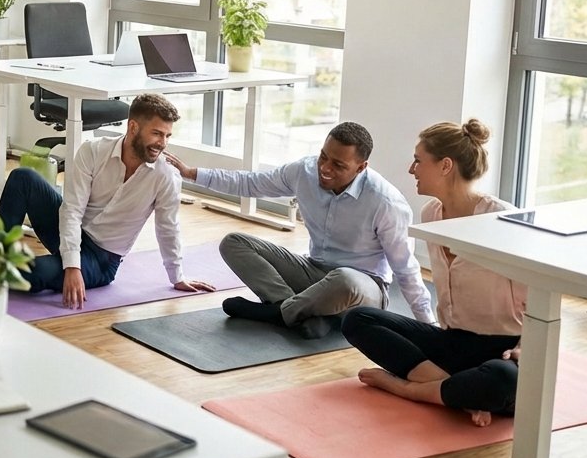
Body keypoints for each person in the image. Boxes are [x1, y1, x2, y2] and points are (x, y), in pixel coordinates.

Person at [165, 121, 433, 338]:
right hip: (313, 272)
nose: (325, 168)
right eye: (323, 157)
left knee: (344, 279)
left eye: (338, 165)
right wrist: (192, 174)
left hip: (362, 289)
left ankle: (277, 313)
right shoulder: (304, 171)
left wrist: (428, 328)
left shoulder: (386, 202)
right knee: (234, 242)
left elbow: (405, 269)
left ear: (361, 168)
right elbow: (251, 183)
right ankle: (301, 312)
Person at [342, 119, 523, 427]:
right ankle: (453, 390)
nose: (411, 169)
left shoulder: (502, 219)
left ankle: (408, 389)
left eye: (418, 160)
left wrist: (524, 349)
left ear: (445, 166)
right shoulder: (431, 214)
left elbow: (536, 297)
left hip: (503, 352)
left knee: (502, 380)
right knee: (357, 319)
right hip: (453, 343)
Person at [0, 94, 215, 309]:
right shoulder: (93, 151)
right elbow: (72, 210)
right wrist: (72, 266)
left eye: (167, 136)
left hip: (101, 259)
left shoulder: (166, 175)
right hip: (70, 232)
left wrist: (177, 277)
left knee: (31, 271)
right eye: (157, 133)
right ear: (133, 127)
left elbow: (168, 227)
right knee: (23, 177)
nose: (163, 143)